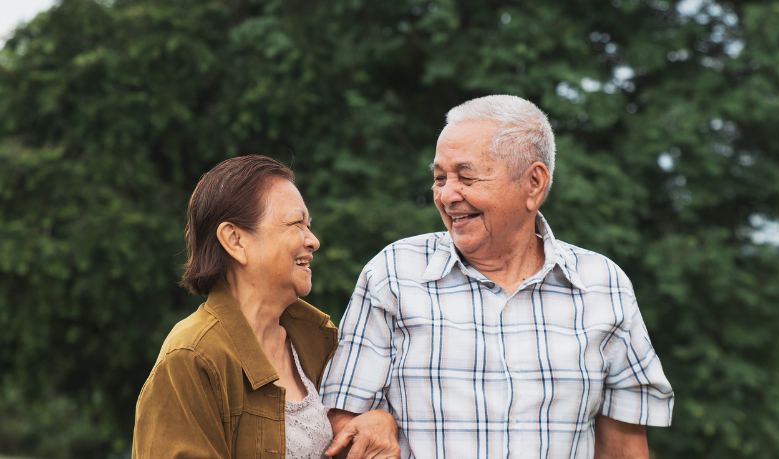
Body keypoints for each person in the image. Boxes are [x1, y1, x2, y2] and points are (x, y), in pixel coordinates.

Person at [321, 95, 674, 458]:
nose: (446, 195)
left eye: (466, 176)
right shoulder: (394, 274)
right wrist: (378, 421)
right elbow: (343, 421)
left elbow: (622, 447)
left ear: (533, 183)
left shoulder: (604, 285)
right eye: (440, 178)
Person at [132, 155, 399, 459]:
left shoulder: (322, 341)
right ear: (235, 240)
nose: (313, 241)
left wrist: (380, 422)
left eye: (309, 226)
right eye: (297, 224)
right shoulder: (191, 359)